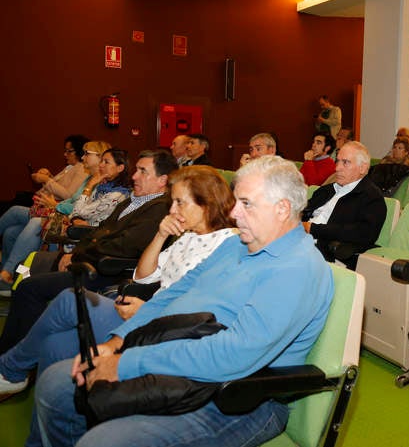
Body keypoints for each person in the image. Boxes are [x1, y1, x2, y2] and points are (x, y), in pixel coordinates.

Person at [34, 156, 333, 447]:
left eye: (246, 204)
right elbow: (172, 295)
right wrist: (117, 342)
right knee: (57, 384)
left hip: (240, 397)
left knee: (104, 441)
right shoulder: (234, 244)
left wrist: (125, 364)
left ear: (282, 209)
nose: (233, 214)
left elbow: (232, 355)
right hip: (182, 360)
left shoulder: (297, 269)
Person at [0, 166, 237, 447]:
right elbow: (143, 276)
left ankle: (10, 371)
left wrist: (147, 309)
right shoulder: (187, 236)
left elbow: (201, 309)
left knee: (67, 301)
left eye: (180, 202)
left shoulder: (227, 243)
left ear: (207, 203)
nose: (172, 209)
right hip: (146, 312)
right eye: (172, 201)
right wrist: (161, 235)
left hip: (158, 328)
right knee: (54, 345)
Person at [0, 150, 177, 355]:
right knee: (25, 265)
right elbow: (101, 231)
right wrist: (75, 253)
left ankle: (11, 357)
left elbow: (124, 246)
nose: (134, 176)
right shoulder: (134, 200)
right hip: (91, 258)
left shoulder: (159, 208)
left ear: (162, 179)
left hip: (106, 269)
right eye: (136, 170)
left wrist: (77, 256)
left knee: (28, 287)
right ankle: (25, 339)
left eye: (142, 171)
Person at [0, 141, 116, 291]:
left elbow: (80, 209)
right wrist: (54, 200)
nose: (83, 157)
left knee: (26, 217)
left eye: (87, 154)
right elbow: (73, 200)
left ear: (100, 157)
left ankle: (7, 273)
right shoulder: (89, 178)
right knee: (12, 232)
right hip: (64, 214)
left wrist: (56, 204)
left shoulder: (99, 182)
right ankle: (14, 276)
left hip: (75, 223)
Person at [303, 141, 387, 269]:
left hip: (329, 253)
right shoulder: (327, 190)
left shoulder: (371, 198)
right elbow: (304, 210)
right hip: (302, 241)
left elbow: (364, 234)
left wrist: (313, 229)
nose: (337, 168)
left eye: (345, 162)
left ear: (363, 168)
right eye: (337, 161)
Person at [31, 135, 91, 202]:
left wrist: (47, 180)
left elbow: (68, 195)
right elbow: (60, 186)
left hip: (48, 205)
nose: (65, 154)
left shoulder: (82, 169)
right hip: (40, 200)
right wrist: (48, 176)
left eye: (69, 151)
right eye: (66, 150)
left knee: (17, 208)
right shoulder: (71, 166)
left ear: (80, 151)